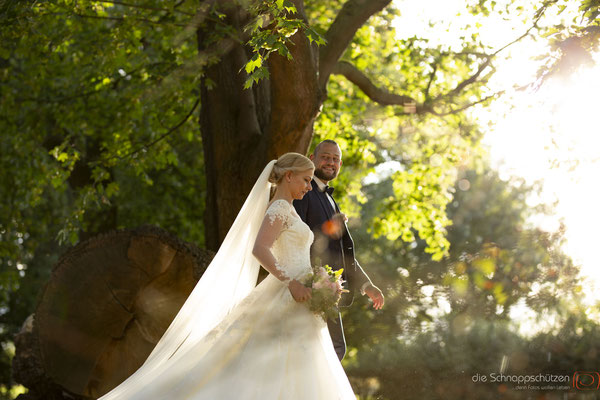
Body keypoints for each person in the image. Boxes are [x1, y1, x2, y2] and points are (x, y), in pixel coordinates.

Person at [98, 152, 356, 399]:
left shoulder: (290, 210)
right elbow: (260, 249)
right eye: (306, 179)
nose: (309, 187)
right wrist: (291, 283)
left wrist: (318, 281)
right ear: (288, 176)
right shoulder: (278, 208)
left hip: (302, 296)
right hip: (289, 291)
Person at [293, 140, 385, 360]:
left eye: (335, 159)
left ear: (340, 164)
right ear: (312, 158)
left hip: (327, 291)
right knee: (330, 351)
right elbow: (295, 238)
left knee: (331, 351)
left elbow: (341, 251)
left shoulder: (330, 198)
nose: (330, 162)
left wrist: (366, 284)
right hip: (308, 289)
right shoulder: (303, 192)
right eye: (325, 157)